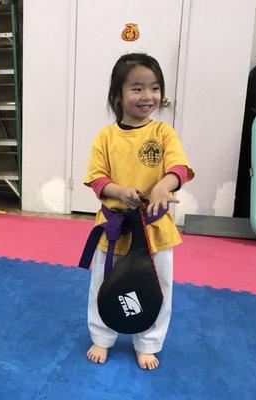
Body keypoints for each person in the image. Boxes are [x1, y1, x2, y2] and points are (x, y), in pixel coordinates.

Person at [83, 53, 194, 370]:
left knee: (157, 287)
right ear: (118, 94)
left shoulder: (163, 134)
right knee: (103, 284)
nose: (148, 96)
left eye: (155, 88)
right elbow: (97, 179)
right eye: (137, 88)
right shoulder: (105, 137)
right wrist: (120, 192)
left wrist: (164, 186)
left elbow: (178, 167)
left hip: (155, 231)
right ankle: (102, 336)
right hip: (115, 228)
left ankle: (148, 341)